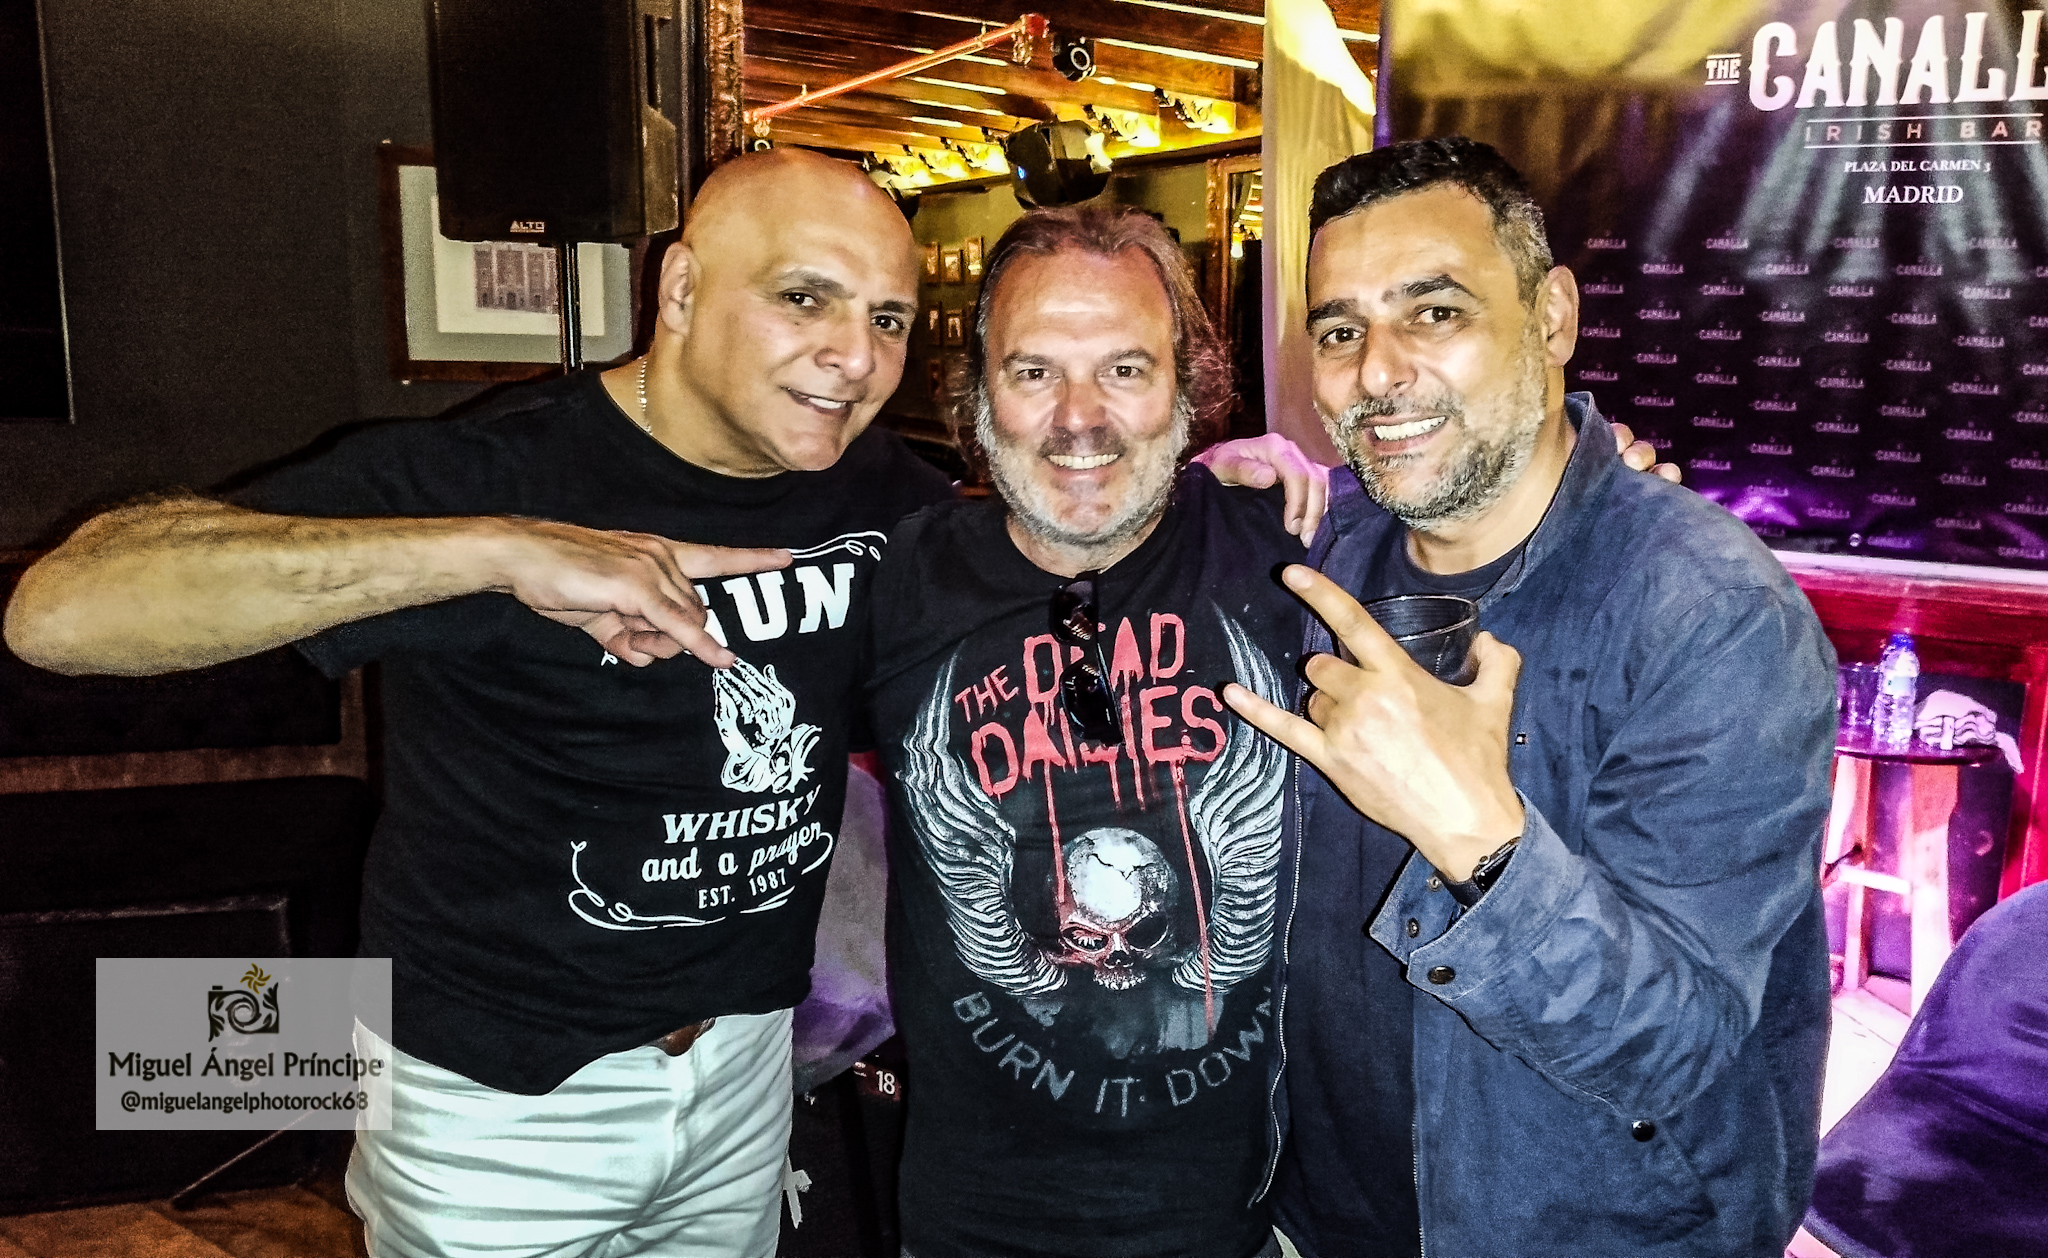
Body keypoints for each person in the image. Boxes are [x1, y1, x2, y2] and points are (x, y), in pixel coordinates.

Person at [2, 149, 1326, 1256]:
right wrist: (500, 551)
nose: (850, 356)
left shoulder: (886, 504)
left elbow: (1064, 541)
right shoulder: (497, 470)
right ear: (681, 288)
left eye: (885, 317)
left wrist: (1203, 490)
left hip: (747, 1075)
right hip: (498, 1100)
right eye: (803, 297)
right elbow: (59, 611)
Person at [863, 202, 1681, 1258]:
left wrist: (1599, 496)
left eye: (1125, 369)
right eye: (1033, 372)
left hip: (1249, 1220)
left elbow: (1488, 509)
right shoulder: (894, 579)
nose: (1079, 418)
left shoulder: (1295, 548)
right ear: (979, 394)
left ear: (1187, 387)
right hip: (973, 1228)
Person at [1223, 137, 1838, 1257]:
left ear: (1550, 318)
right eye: (1340, 331)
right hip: (1313, 1217)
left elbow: (1682, 1050)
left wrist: (1479, 838)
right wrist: (1198, 489)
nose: (1377, 372)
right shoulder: (1317, 557)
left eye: (1435, 312)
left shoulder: (1709, 612)